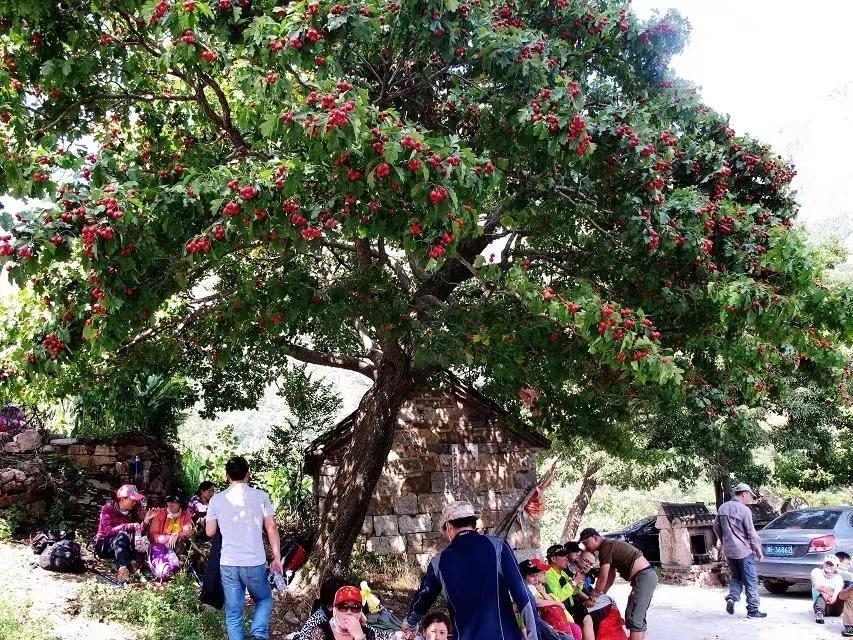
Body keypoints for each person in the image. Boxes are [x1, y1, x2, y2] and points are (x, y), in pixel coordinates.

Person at [401, 500, 539, 640]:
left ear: (448, 527)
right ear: (474, 524)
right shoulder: (498, 546)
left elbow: (424, 597)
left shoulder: (439, 562)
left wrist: (410, 623)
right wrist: (534, 637)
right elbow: (523, 596)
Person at [206, 456, 282, 640]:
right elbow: (271, 527)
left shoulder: (216, 499)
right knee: (264, 599)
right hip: (254, 561)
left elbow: (210, 532)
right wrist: (277, 557)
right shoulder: (261, 496)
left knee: (233, 612)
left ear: (227, 476)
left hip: (228, 563)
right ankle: (258, 634)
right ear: (248, 474)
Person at [578, 528, 657, 640]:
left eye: (586, 542)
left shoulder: (605, 547)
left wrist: (594, 597)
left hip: (644, 577)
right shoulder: (608, 546)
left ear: (595, 538)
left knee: (635, 617)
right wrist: (601, 595)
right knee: (635, 615)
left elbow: (603, 577)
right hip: (645, 577)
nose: (586, 547)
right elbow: (610, 576)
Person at [711, 482, 767, 619]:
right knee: (750, 580)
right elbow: (751, 533)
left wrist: (725, 542)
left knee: (736, 577)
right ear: (744, 494)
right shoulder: (744, 510)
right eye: (750, 496)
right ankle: (753, 610)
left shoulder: (723, 508)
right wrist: (759, 551)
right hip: (744, 551)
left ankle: (732, 598)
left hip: (729, 551)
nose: (750, 499)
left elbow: (716, 527)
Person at [94, 484, 157, 582]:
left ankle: (137, 566)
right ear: (122, 499)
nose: (135, 502)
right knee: (122, 535)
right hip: (104, 544)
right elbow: (108, 531)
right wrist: (128, 526)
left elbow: (138, 530)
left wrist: (146, 520)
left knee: (141, 539)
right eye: (132, 500)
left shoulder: (132, 511)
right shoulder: (108, 508)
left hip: (122, 546)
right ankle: (122, 569)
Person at [519, 558, 585, 640]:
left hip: (552, 623)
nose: (546, 573)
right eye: (542, 572)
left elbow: (569, 594)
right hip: (536, 625)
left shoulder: (535, 587)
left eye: (536, 574)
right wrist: (574, 583)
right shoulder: (524, 588)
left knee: (573, 632)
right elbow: (536, 603)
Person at [543, 544, 592, 634]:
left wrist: (579, 580)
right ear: (553, 559)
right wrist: (573, 582)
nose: (566, 558)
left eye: (566, 555)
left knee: (588, 619)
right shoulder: (548, 575)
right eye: (563, 556)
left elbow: (573, 592)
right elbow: (558, 597)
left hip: (571, 607)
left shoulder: (562, 573)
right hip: (561, 612)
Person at [148, 495, 192, 581]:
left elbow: (188, 532)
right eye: (169, 501)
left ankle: (179, 566)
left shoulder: (185, 515)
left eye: (174, 502)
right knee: (162, 564)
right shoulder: (160, 513)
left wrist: (177, 535)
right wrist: (168, 537)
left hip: (177, 545)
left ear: (180, 504)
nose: (171, 503)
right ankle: (165, 571)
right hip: (160, 544)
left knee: (181, 541)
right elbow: (153, 534)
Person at [308, 585, 376, 640]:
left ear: (360, 612)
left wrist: (360, 636)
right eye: (343, 607)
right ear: (334, 610)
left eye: (355, 607)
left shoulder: (368, 633)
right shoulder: (321, 632)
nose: (349, 612)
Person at [812, 554, 844, 624]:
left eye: (831, 564)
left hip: (835, 609)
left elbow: (837, 593)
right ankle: (819, 614)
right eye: (827, 563)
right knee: (821, 596)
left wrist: (832, 598)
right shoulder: (816, 572)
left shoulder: (838, 578)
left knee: (843, 594)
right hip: (820, 605)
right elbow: (818, 586)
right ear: (823, 563)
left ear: (836, 566)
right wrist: (825, 594)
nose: (828, 566)